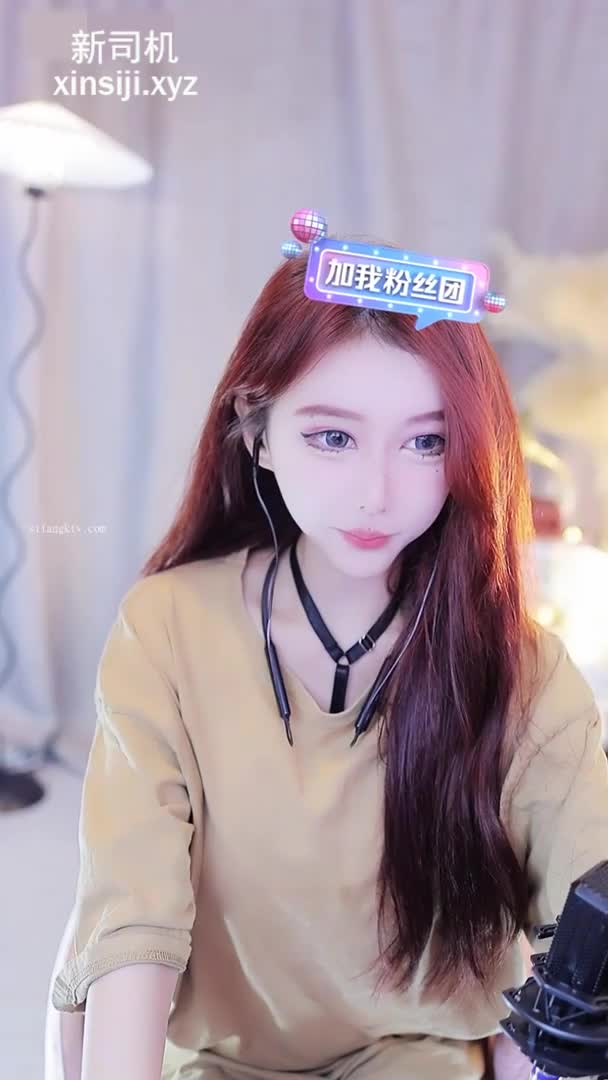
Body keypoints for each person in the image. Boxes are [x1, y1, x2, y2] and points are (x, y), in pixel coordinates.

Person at [47, 227, 608, 1080]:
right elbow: (133, 917)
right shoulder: (167, 629)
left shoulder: (522, 671)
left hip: (418, 1058)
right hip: (216, 1061)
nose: (377, 493)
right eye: (333, 437)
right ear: (259, 432)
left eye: (426, 441)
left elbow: (587, 894)